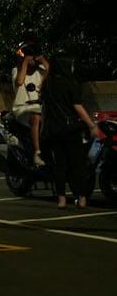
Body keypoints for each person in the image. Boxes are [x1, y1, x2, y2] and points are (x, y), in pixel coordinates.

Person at [39, 54, 99, 209]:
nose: (73, 68)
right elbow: (77, 107)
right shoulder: (70, 83)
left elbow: (44, 108)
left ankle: (61, 199)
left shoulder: (48, 83)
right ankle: (82, 198)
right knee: (77, 164)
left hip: (54, 129)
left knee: (60, 164)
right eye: (71, 65)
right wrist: (92, 126)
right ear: (65, 66)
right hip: (71, 129)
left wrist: (44, 127)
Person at [11, 41, 47, 165]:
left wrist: (43, 60)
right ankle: (37, 153)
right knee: (36, 117)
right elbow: (20, 81)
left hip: (40, 107)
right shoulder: (17, 70)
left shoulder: (41, 71)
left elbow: (54, 76)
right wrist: (25, 62)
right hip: (22, 108)